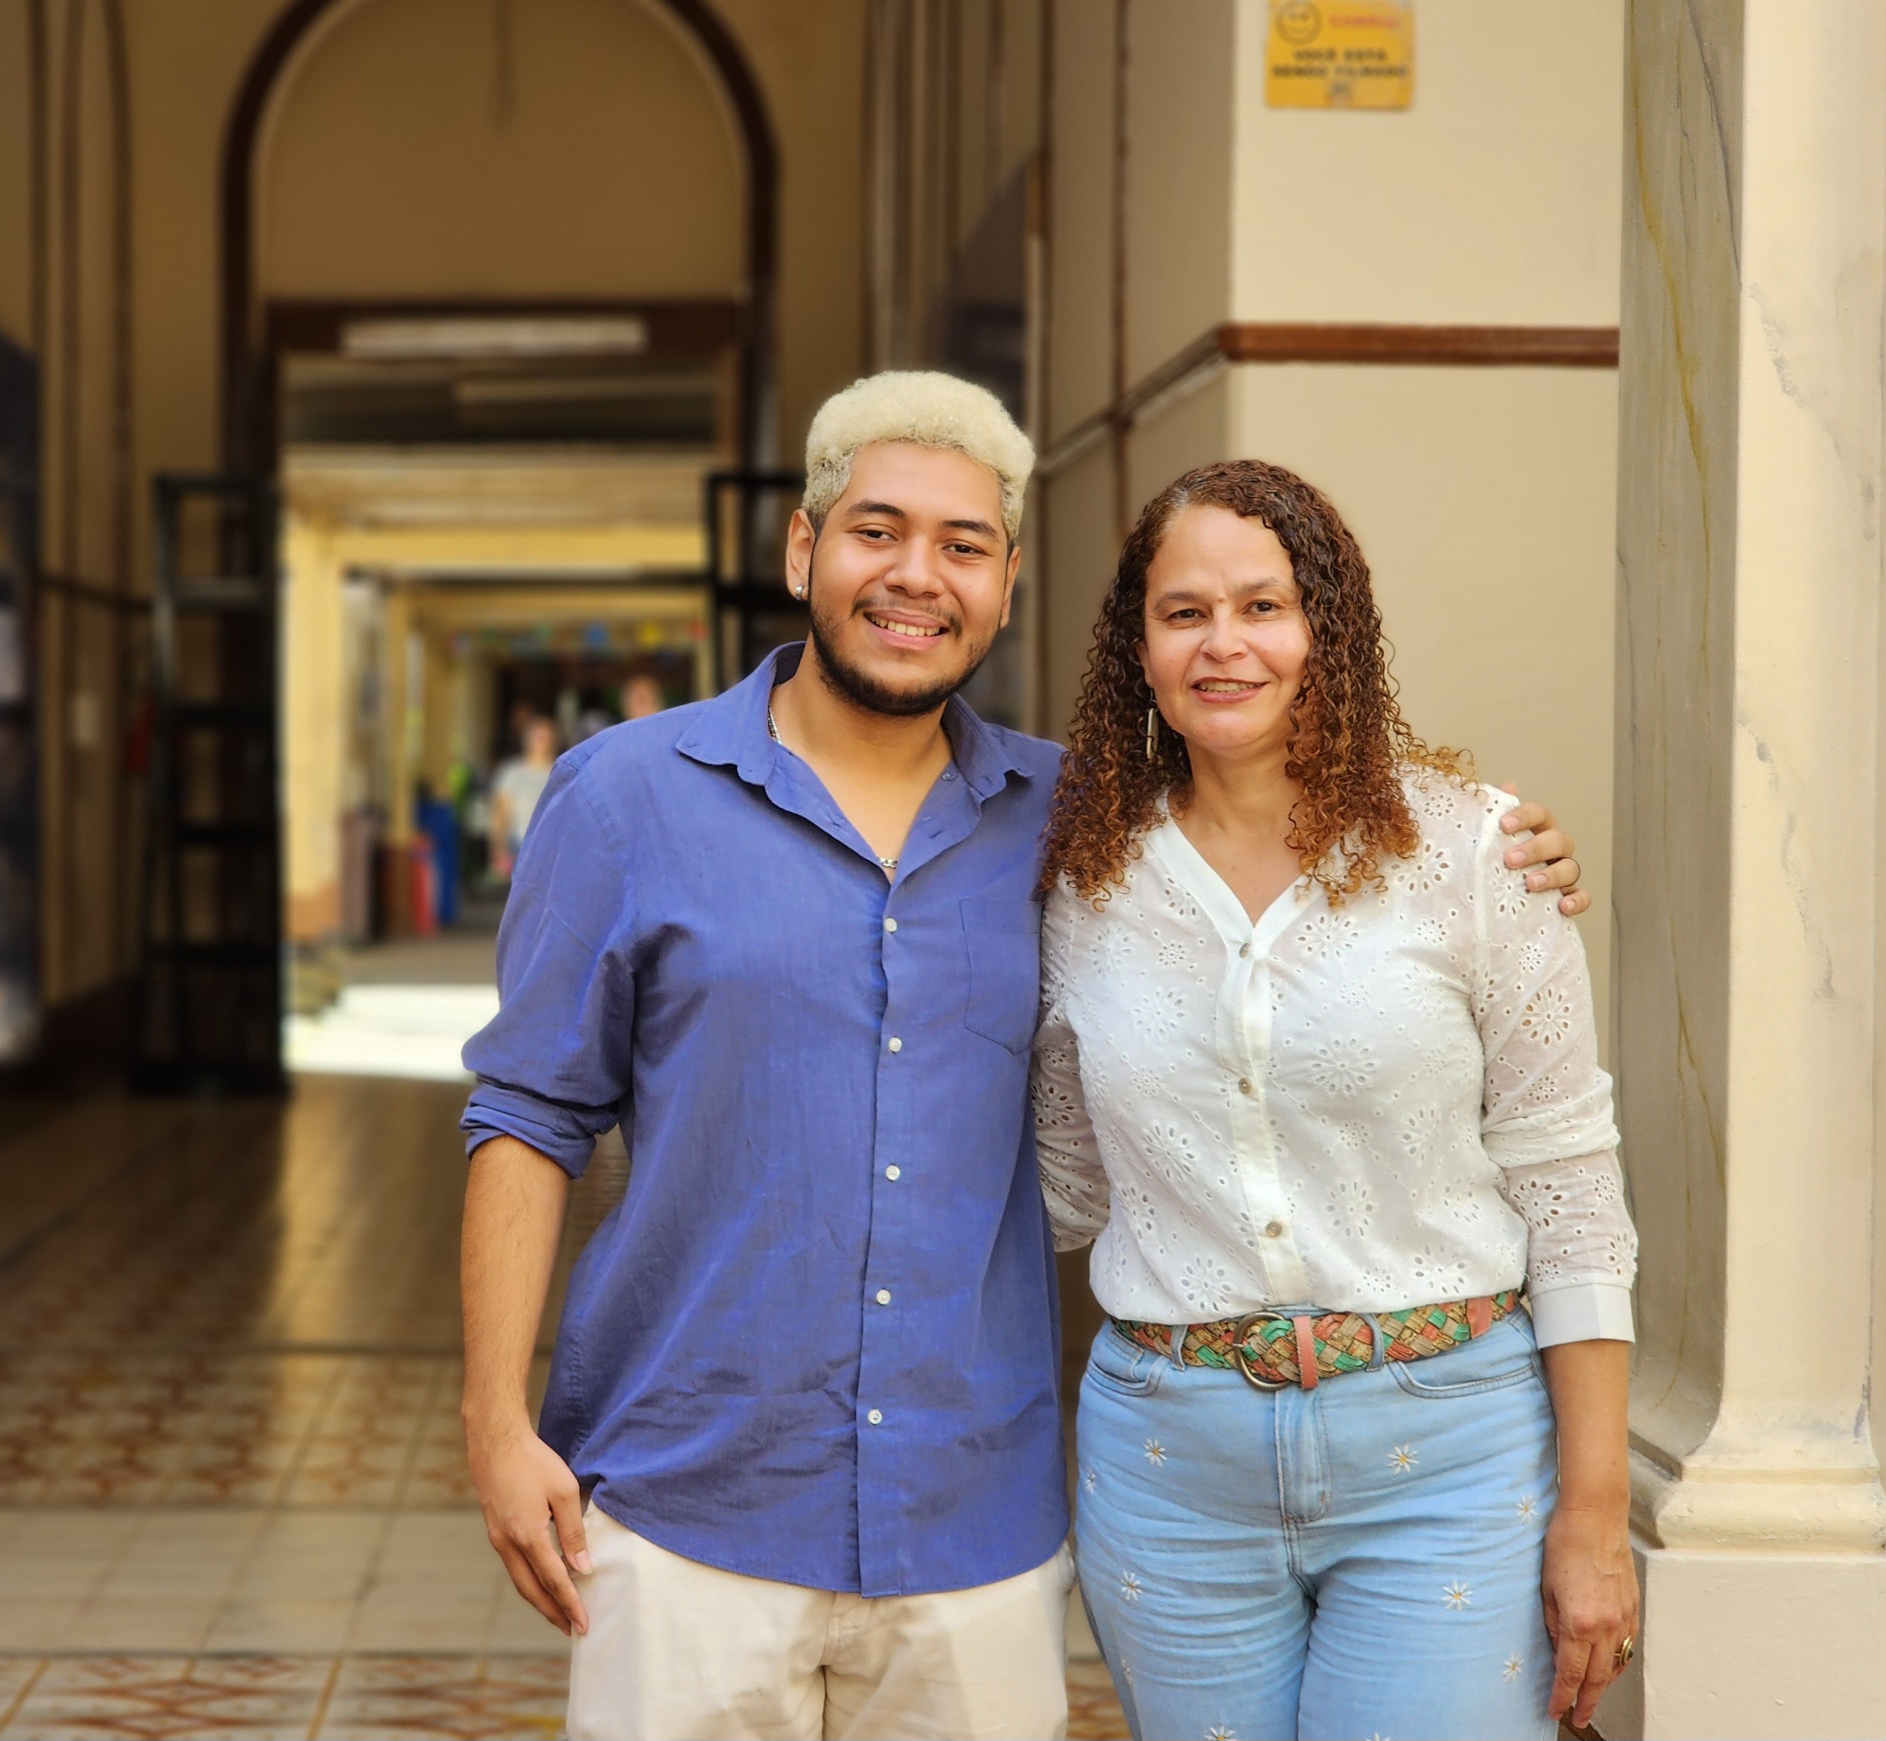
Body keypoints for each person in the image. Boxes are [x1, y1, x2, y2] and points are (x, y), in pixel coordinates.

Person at [458, 375, 1587, 1741]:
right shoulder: (623, 796)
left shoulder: (1079, 829)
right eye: (876, 531)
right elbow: (528, 1114)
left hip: (973, 1523)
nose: (915, 576)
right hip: (688, 1502)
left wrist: (1498, 850)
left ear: (1004, 588)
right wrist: (494, 1420)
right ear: (803, 550)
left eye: (963, 544)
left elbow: (1270, 883)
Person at [1032, 460, 1636, 1741]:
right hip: (1167, 1462)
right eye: (1183, 612)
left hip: (1449, 1452)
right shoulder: (1081, 884)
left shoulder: (1474, 855)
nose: (1223, 643)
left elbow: (1570, 1194)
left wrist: (1593, 1517)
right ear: (1137, 649)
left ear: (1329, 631)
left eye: (1263, 605)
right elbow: (1062, 1187)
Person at [486, 714, 558, 880]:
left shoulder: (561, 772)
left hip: (552, 848)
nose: (540, 741)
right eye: (536, 735)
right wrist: (497, 849)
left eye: (545, 736)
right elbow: (501, 814)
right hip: (519, 846)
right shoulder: (511, 772)